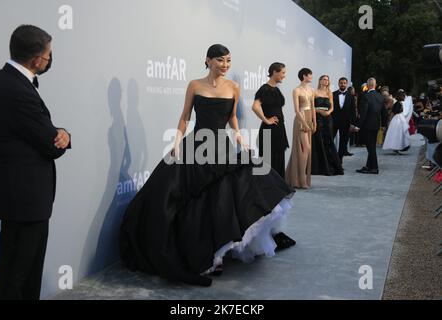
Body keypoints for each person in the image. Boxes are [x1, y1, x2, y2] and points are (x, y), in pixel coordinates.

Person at [120, 44, 296, 287]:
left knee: (221, 199)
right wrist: (176, 142)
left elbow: (232, 117)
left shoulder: (233, 87)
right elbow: (184, 117)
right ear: (208, 60)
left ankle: (218, 253)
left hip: (220, 145)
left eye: (228, 61)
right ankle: (204, 252)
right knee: (191, 199)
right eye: (221, 60)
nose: (225, 65)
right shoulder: (194, 85)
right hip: (196, 144)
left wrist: (239, 137)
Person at [0, 25, 71, 300]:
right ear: (37, 59)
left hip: (19, 199)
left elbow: (35, 132)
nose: (50, 60)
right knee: (20, 276)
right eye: (48, 55)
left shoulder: (4, 81)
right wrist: (62, 136)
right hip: (26, 201)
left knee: (13, 269)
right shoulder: (17, 90)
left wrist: (60, 134)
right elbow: (50, 143)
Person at [252, 62, 289, 179]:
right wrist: (266, 120)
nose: (284, 75)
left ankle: (278, 188)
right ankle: (267, 189)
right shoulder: (264, 89)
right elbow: (255, 106)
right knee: (268, 160)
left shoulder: (276, 90)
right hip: (269, 130)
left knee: (278, 158)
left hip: (278, 129)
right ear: (274, 72)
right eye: (282, 72)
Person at [285, 68, 316, 189]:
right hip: (300, 119)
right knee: (306, 147)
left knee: (306, 149)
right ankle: (301, 178)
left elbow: (313, 107)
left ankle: (298, 177)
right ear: (304, 76)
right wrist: (304, 123)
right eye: (310, 75)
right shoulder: (296, 90)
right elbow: (296, 110)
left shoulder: (311, 90)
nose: (311, 77)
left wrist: (314, 122)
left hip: (309, 119)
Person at [311, 75, 344, 176]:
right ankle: (319, 167)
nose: (326, 81)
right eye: (324, 79)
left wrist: (328, 112)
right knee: (318, 140)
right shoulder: (314, 92)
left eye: (327, 80)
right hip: (318, 118)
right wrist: (320, 111)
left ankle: (330, 166)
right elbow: (312, 107)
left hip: (328, 119)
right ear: (320, 81)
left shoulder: (329, 93)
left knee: (329, 141)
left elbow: (332, 107)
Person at [355, 78, 387, 174]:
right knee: (372, 146)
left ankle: (374, 168)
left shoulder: (366, 96)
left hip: (367, 126)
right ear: (375, 85)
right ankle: (368, 166)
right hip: (376, 125)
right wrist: (384, 124)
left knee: (371, 148)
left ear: (367, 85)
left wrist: (358, 125)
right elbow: (384, 113)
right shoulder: (380, 97)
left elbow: (363, 112)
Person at [332, 77, 357, 163]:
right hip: (333, 122)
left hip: (346, 123)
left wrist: (353, 124)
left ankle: (339, 161)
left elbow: (353, 111)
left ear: (346, 84)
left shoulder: (351, 96)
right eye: (341, 83)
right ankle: (331, 159)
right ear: (338, 84)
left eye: (344, 83)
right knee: (329, 140)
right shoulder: (332, 94)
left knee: (343, 142)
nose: (342, 84)